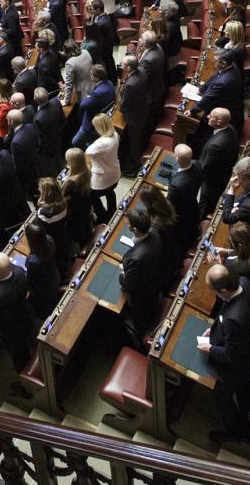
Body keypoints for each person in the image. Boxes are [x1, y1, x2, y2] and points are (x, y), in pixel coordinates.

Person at [196, 263, 250, 447]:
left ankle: (235, 434)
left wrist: (209, 349)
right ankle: (246, 429)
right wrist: (215, 328)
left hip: (239, 366)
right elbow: (224, 313)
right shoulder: (244, 282)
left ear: (223, 290)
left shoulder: (235, 318)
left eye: (213, 290)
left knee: (221, 395)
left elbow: (229, 356)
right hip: (249, 348)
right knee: (246, 397)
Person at [0, 253, 39, 397]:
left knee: (20, 359)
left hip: (12, 331)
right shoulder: (19, 271)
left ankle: (26, 389)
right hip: (27, 316)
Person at [118, 205, 163, 345]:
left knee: (138, 323)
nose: (127, 225)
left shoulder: (136, 258)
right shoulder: (155, 233)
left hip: (141, 298)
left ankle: (137, 341)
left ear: (134, 229)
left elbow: (129, 284)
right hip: (154, 282)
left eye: (129, 224)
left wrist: (122, 273)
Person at [85, 112, 121, 224]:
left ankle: (103, 217)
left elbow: (88, 152)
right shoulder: (114, 133)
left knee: (92, 196)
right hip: (114, 174)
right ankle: (112, 212)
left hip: (102, 179)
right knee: (110, 192)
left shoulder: (101, 143)